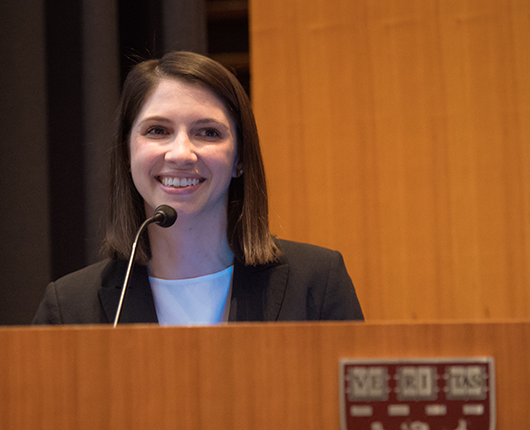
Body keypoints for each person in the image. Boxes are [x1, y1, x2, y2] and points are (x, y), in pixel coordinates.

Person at [33, 51, 363, 325]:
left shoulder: (318, 285)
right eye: (158, 130)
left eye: (208, 133)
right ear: (126, 154)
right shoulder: (70, 308)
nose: (180, 153)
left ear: (240, 159)